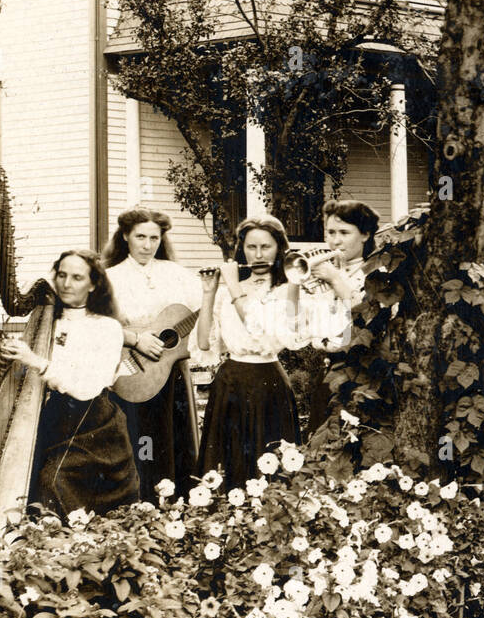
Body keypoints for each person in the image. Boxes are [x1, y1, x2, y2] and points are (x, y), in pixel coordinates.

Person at [0, 250, 140, 517]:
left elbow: (87, 387)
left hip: (92, 425)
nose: (66, 284)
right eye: (62, 275)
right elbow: (7, 386)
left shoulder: (106, 328)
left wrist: (36, 361)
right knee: (31, 481)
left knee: (53, 480)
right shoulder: (46, 323)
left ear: (93, 284)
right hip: (53, 418)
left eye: (77, 277)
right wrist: (4, 365)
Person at [103, 207, 203, 500]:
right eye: (140, 237)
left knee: (172, 439)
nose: (147, 245)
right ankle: (140, 499)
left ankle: (175, 501)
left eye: (154, 238)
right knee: (140, 438)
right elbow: (100, 325)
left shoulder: (176, 274)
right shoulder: (110, 277)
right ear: (125, 237)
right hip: (131, 372)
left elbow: (201, 312)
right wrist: (135, 341)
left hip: (170, 374)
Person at [197, 214, 303, 489]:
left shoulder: (286, 290)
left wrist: (232, 286)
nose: (257, 255)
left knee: (270, 465)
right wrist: (209, 293)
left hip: (268, 381)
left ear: (280, 249)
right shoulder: (229, 290)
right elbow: (205, 344)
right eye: (250, 247)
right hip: (230, 381)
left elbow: (260, 331)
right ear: (241, 249)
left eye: (265, 247)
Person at [301, 199, 380, 435]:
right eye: (331, 232)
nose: (335, 240)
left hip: (361, 374)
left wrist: (336, 280)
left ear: (365, 235)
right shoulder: (326, 271)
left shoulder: (375, 271)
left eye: (344, 232)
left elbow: (367, 316)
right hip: (328, 372)